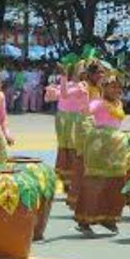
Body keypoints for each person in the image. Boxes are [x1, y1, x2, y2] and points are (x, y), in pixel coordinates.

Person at [75, 72, 128, 236]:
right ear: (104, 88)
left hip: (117, 146)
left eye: (118, 87)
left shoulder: (119, 103)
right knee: (95, 181)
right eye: (113, 86)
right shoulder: (98, 103)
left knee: (116, 181)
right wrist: (83, 98)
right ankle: (85, 220)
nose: (116, 90)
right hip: (99, 144)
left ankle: (108, 217)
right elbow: (86, 111)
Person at [45, 58, 88, 192]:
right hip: (63, 119)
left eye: (83, 69)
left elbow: (63, 94)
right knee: (65, 148)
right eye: (80, 68)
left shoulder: (83, 86)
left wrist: (62, 78)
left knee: (76, 149)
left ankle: (76, 178)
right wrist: (50, 91)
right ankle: (66, 179)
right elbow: (50, 98)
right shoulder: (68, 84)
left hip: (78, 120)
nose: (81, 71)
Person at [67, 60, 105, 210]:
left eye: (102, 73)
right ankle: (79, 198)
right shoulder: (83, 86)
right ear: (90, 74)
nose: (101, 75)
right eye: (98, 73)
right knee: (84, 161)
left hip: (98, 126)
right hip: (85, 126)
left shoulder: (100, 88)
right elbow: (64, 94)